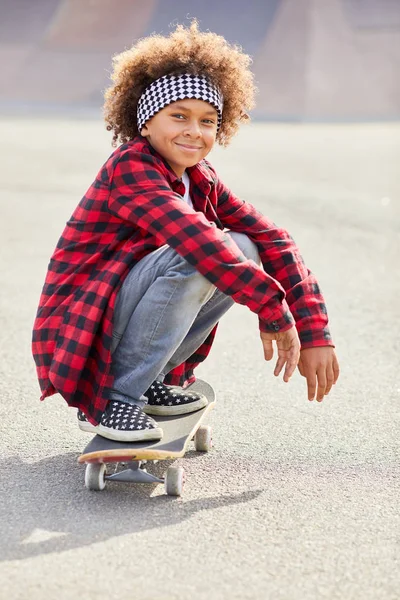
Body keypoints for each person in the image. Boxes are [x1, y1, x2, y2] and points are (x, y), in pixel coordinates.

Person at [32, 22, 339, 443]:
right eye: (179, 116)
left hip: (121, 316)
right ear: (145, 123)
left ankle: (148, 380)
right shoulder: (130, 168)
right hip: (85, 329)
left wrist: (313, 331)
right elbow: (195, 238)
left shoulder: (202, 178)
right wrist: (271, 307)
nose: (194, 131)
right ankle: (113, 398)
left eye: (208, 120)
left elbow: (274, 239)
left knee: (245, 246)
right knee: (201, 252)